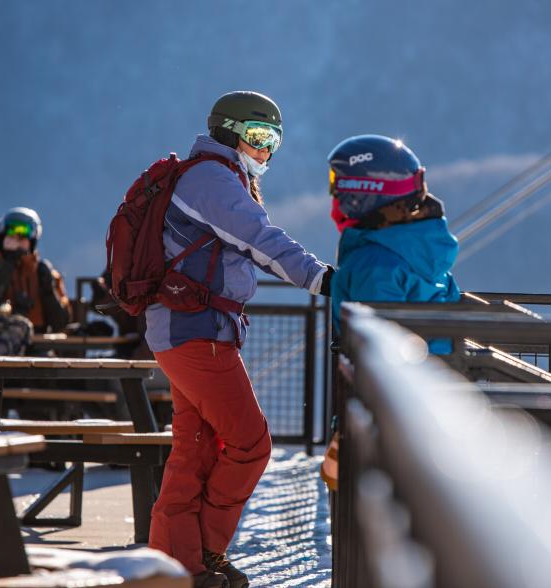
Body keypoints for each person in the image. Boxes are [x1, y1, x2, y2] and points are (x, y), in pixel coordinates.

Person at [145, 90, 333, 588]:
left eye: (274, 140)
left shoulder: (217, 177)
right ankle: (203, 553)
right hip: (195, 331)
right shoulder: (212, 179)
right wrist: (321, 279)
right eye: (258, 137)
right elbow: (261, 239)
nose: (266, 150)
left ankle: (176, 566)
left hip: (189, 329)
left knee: (196, 448)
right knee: (250, 444)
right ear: (229, 132)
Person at [327, 134, 461, 350]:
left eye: (336, 182)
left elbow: (377, 344)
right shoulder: (420, 251)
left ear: (362, 191)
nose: (334, 194)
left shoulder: (373, 264)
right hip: (439, 374)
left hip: (402, 379)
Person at [0, 207, 71, 334]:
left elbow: (60, 322)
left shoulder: (46, 274)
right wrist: (8, 264)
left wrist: (48, 291)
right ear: (2, 237)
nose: (17, 238)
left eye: (23, 233)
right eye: (12, 232)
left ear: (33, 239)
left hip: (38, 344)